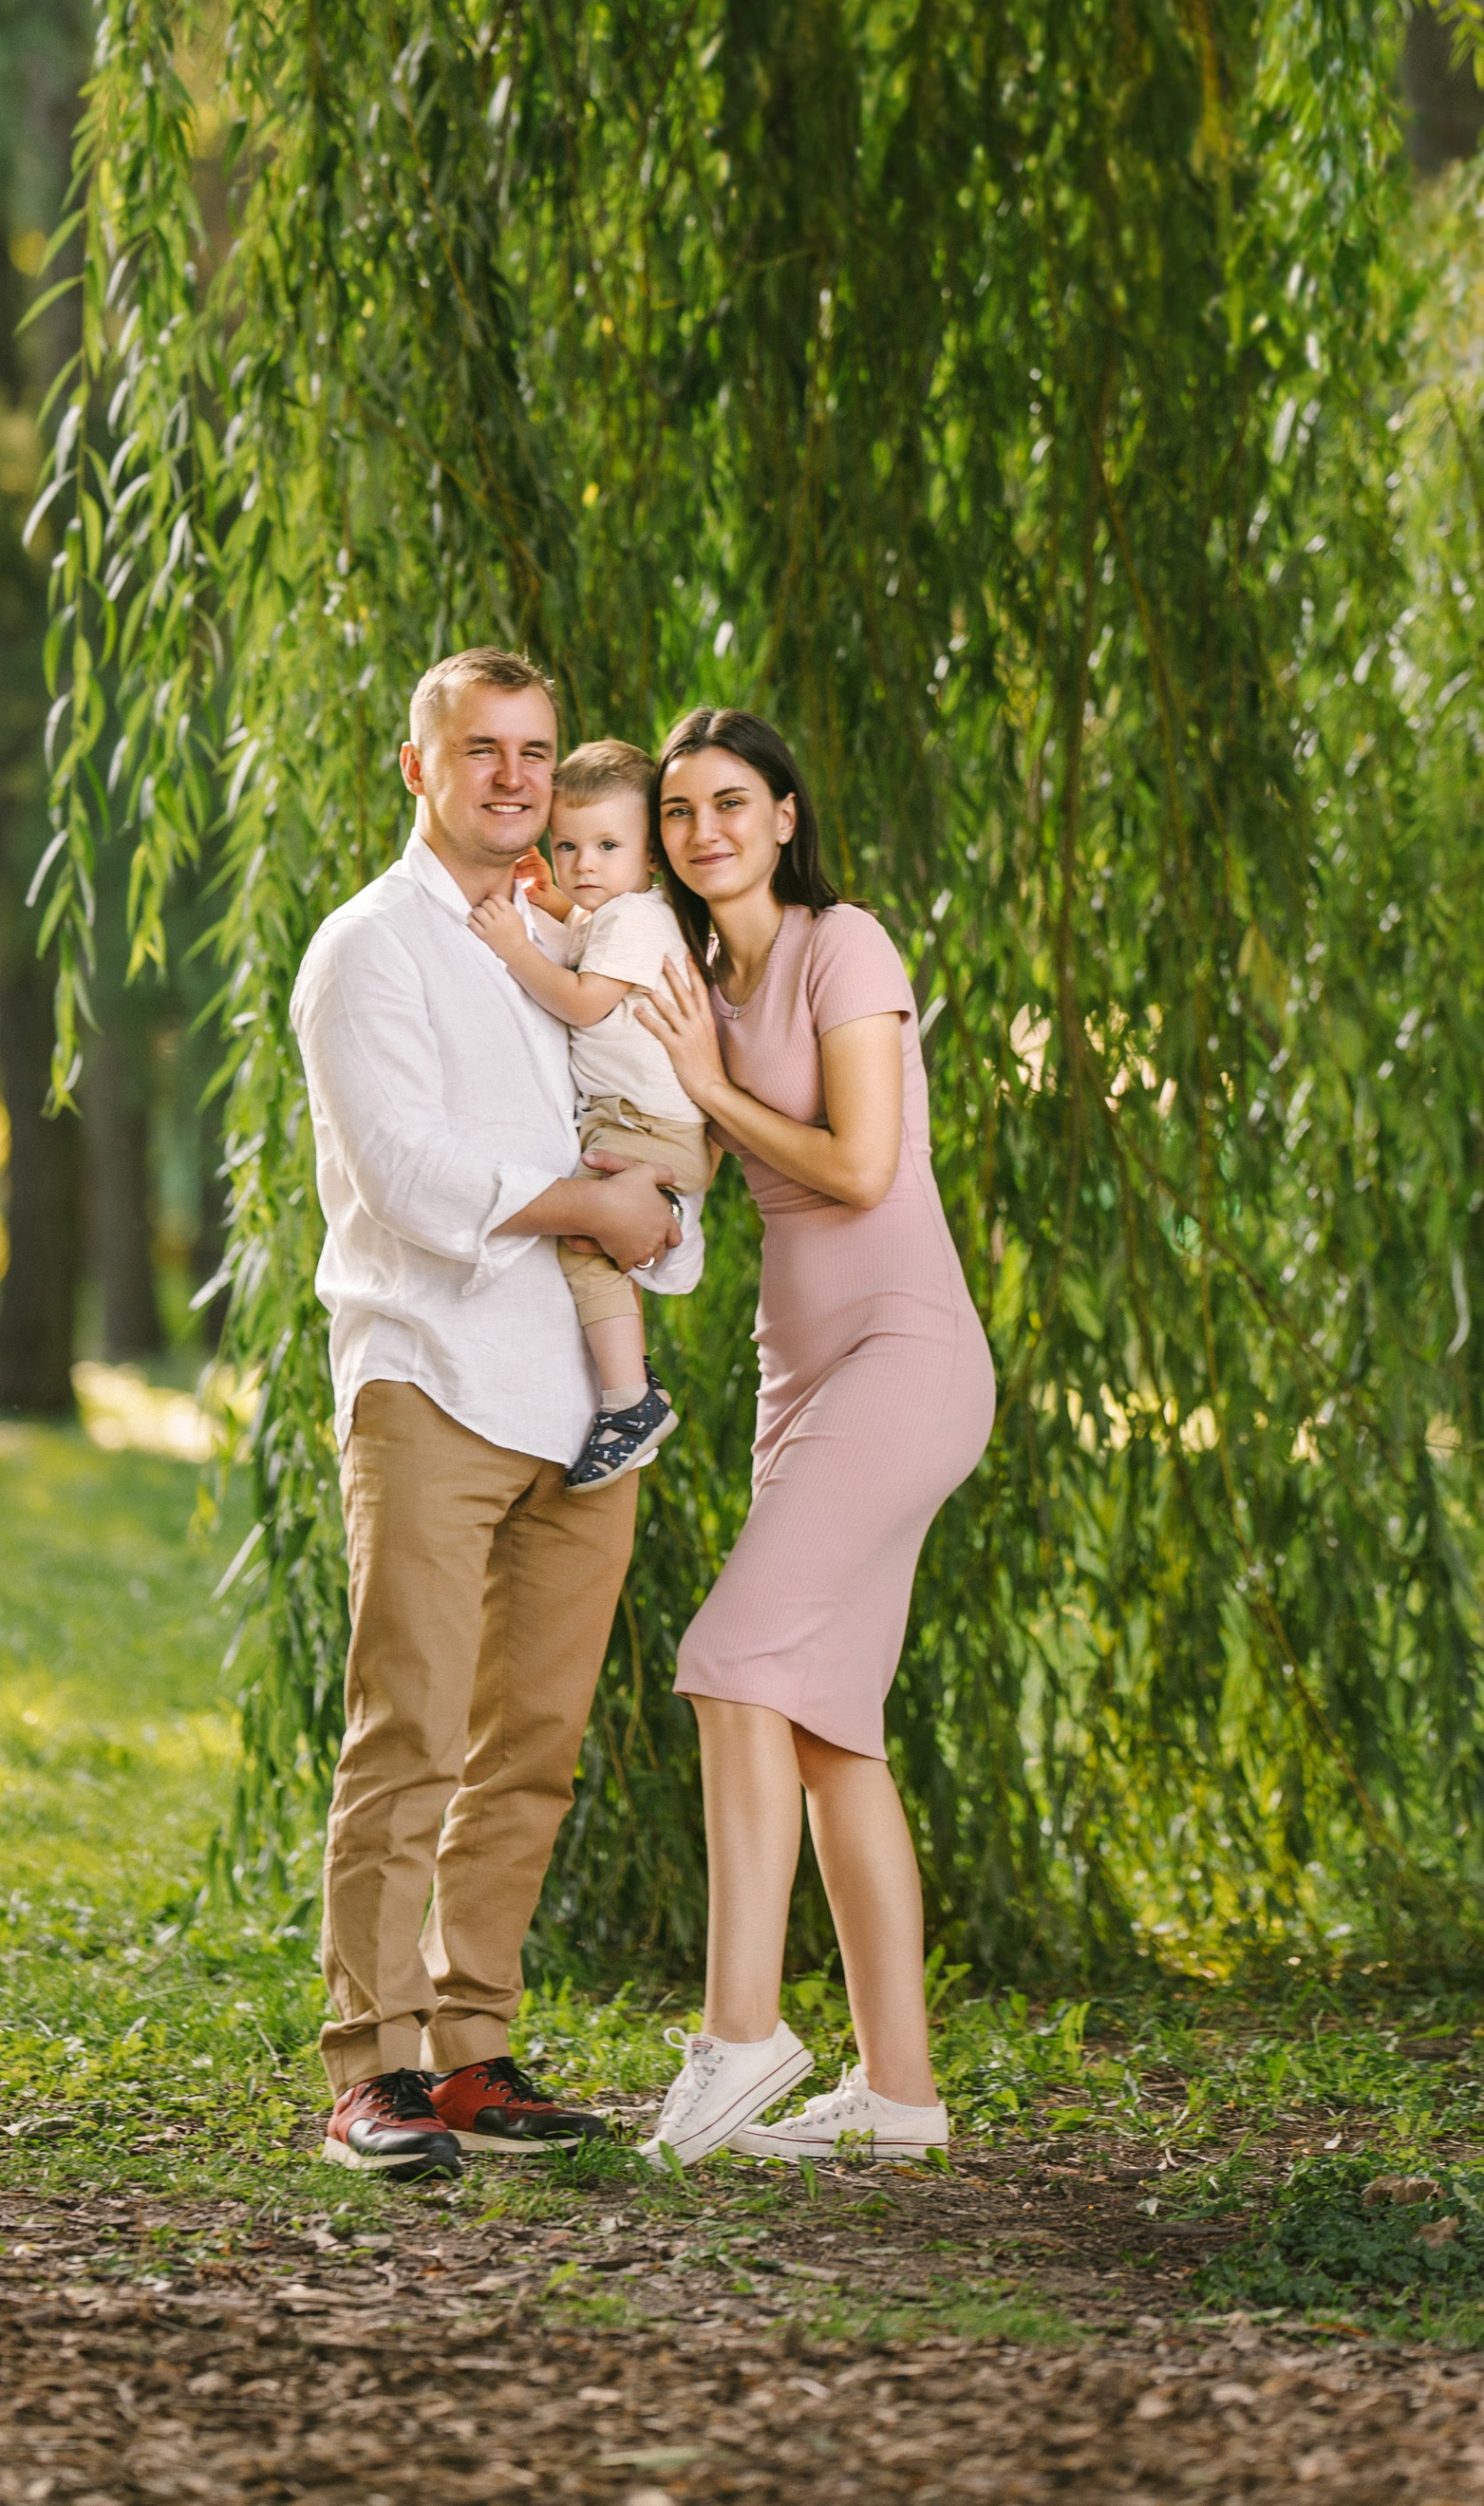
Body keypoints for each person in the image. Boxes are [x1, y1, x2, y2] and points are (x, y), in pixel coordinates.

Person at [288, 647, 703, 2179]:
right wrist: (595, 1201)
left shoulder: (576, 939)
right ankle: (371, 2067)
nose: (515, 776)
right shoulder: (369, 950)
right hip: (432, 1380)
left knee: (532, 1745)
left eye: (535, 751)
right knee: (409, 1734)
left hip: (583, 1403)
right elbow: (409, 1175)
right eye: (483, 749)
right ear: (420, 765)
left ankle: (472, 2054)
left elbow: (648, 1131)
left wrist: (657, 1211)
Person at [629, 707, 995, 2168]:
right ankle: (898, 2096)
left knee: (726, 1661)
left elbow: (858, 1162)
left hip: (907, 1357)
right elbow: (677, 1163)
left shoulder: (848, 942)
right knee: (838, 1736)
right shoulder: (693, 979)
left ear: (786, 813)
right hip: (800, 1377)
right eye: (678, 814)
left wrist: (711, 1091)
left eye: (732, 803)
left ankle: (742, 2034)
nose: (704, 830)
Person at [465, 736, 718, 1492]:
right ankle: (629, 1384)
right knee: (590, 1240)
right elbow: (587, 933)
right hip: (636, 1122)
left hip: (647, 1127)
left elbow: (580, 997)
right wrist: (551, 905)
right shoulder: (617, 915)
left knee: (585, 1243)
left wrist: (516, 944)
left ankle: (629, 1400)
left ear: (649, 860)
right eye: (568, 844)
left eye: (607, 846)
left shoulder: (640, 918)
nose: (582, 864)